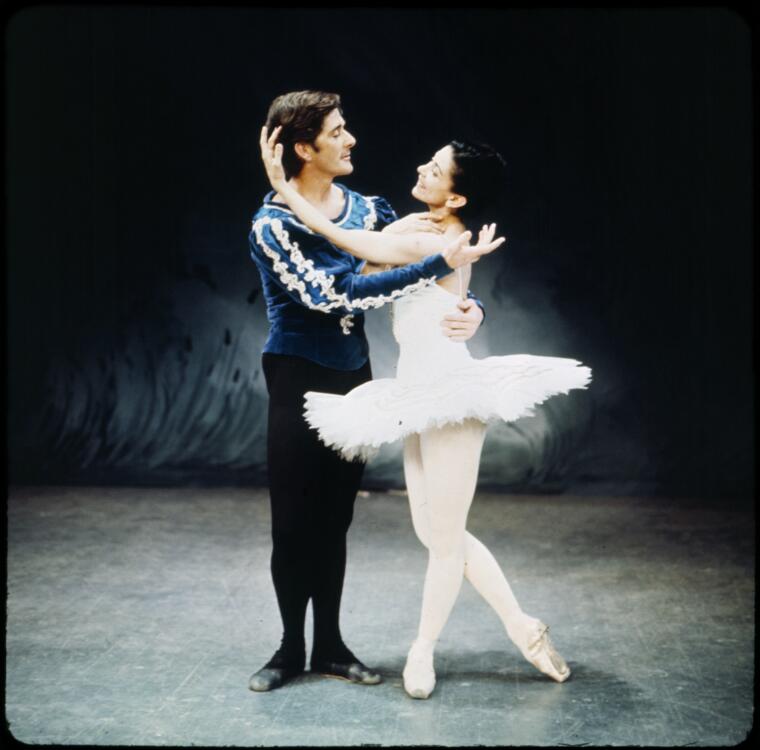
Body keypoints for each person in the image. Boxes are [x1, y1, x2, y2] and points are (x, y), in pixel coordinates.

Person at [259, 126, 592, 699]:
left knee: (444, 539)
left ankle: (424, 650)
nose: (421, 169)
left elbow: (348, 243)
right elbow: (365, 268)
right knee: (437, 532)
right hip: (417, 395)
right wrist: (458, 289)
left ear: (456, 196)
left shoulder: (441, 240)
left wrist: (281, 189)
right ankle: (522, 624)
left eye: (435, 170)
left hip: (450, 397)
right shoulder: (425, 230)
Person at [247, 91, 502, 693]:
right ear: (303, 147)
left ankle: (331, 646)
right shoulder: (271, 224)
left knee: (335, 519)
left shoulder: (368, 209)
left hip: (352, 376)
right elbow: (335, 294)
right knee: (293, 523)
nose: (351, 139)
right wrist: (437, 264)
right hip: (296, 375)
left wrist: (472, 307)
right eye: (337, 131)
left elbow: (414, 271)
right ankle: (290, 648)